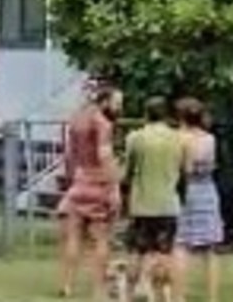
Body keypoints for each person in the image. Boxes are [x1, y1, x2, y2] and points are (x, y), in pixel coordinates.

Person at [56, 80, 124, 301]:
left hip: (79, 181)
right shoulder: (102, 122)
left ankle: (66, 285)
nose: (119, 107)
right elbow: (104, 154)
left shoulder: (76, 119)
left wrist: (70, 180)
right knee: (100, 238)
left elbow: (69, 154)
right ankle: (98, 290)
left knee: (73, 237)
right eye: (116, 103)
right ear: (104, 101)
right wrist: (114, 186)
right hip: (98, 183)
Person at [123, 97, 185, 302]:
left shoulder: (136, 138)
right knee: (165, 253)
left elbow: (128, 172)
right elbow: (182, 170)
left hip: (142, 205)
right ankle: (163, 296)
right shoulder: (178, 138)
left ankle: (130, 294)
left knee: (136, 251)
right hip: (168, 204)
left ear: (146, 113)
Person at [172, 98, 222, 302]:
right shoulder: (210, 138)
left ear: (181, 117)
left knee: (181, 245)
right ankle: (212, 298)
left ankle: (179, 296)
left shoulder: (177, 138)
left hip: (185, 191)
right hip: (208, 191)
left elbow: (182, 168)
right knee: (211, 249)